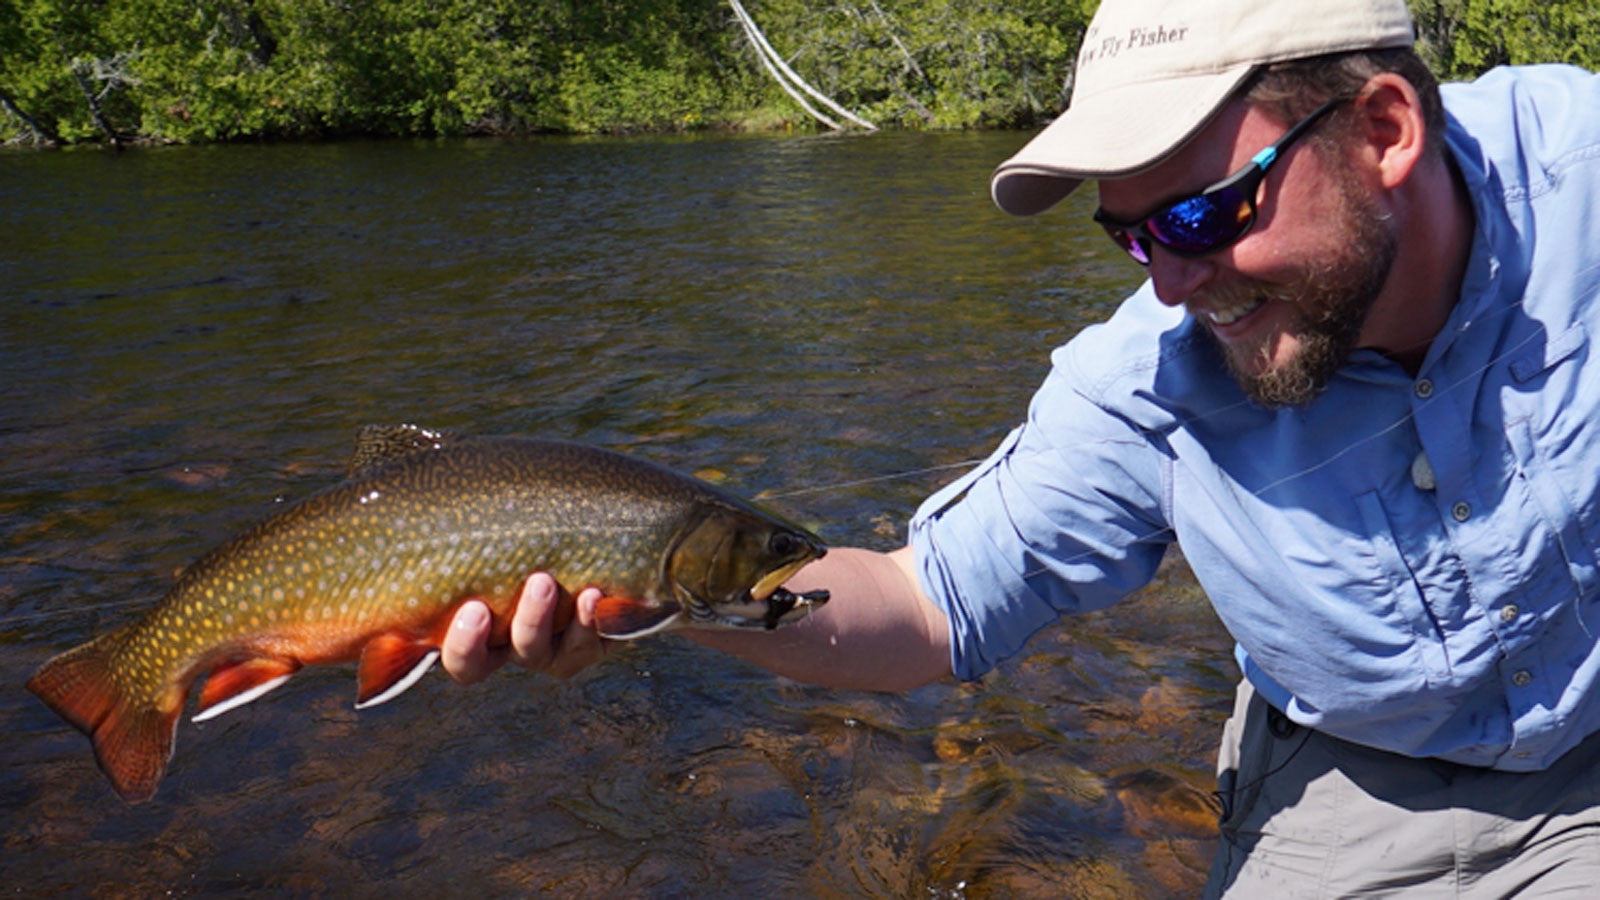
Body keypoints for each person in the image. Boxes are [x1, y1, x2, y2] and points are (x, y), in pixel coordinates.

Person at [442, 0, 1600, 894]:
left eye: (1199, 216)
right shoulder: (1144, 380)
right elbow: (927, 604)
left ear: (1384, 131)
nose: (1172, 282)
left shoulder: (1581, 178)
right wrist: (666, 592)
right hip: (1351, 771)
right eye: (1130, 235)